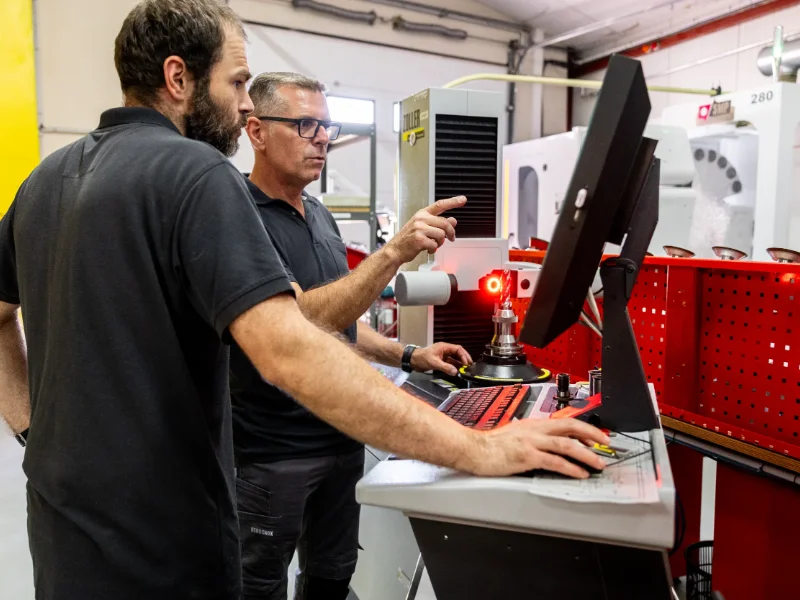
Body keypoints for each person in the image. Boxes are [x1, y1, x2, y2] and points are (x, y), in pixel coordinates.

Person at [0, 1, 609, 599]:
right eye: (237, 82)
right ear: (178, 78)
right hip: (167, 537)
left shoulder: (43, 181)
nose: (245, 104)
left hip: (64, 531)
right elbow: (287, 347)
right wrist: (477, 447)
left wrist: (34, 430)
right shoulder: (197, 173)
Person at [231, 72, 476, 600]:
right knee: (259, 587)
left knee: (332, 578)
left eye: (327, 126)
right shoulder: (239, 218)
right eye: (305, 125)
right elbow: (300, 319)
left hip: (341, 438)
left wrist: (409, 354)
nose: (322, 138)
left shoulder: (319, 215)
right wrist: (394, 253)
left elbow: (339, 324)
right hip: (273, 453)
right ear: (256, 131)